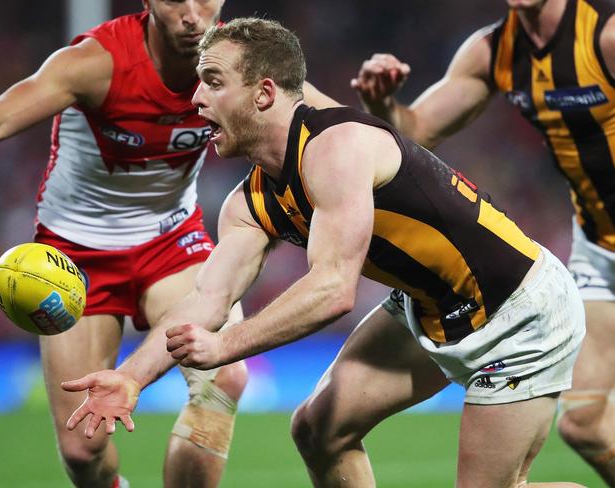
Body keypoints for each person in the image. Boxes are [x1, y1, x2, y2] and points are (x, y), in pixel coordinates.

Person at [62, 17, 587, 487]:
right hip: (429, 306)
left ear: (264, 93)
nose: (195, 99)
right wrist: (131, 377)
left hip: (517, 312)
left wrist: (225, 348)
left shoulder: (337, 146)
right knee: (318, 431)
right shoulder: (249, 202)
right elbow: (206, 299)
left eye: (214, 82)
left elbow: (334, 289)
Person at [0, 2, 336, 488]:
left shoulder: (243, 62)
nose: (190, 13)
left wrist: (393, 123)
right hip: (74, 257)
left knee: (225, 378)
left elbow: (339, 127)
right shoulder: (96, 63)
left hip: (171, 241)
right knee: (84, 447)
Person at [350, 0, 615, 484]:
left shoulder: (604, 36)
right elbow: (417, 130)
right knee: (585, 424)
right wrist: (383, 103)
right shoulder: (494, 51)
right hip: (600, 249)